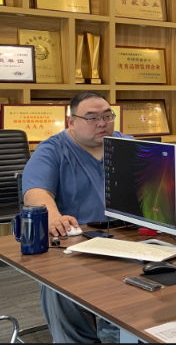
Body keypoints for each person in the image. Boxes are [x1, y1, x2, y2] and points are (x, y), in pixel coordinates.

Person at [23, 91, 131, 343]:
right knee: (59, 289)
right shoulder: (52, 149)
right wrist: (53, 217)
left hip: (124, 236)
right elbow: (35, 193)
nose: (102, 123)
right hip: (75, 243)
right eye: (92, 118)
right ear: (71, 122)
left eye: (108, 116)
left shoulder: (124, 144)